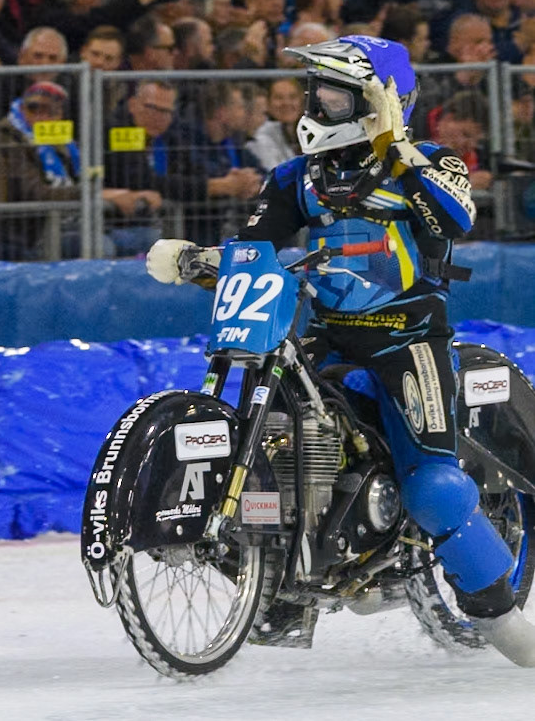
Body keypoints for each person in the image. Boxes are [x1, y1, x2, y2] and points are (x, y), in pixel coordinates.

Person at [145, 36, 535, 665]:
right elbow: (259, 246)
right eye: (316, 90)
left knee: (433, 488)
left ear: (379, 98)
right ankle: (288, 583)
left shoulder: (434, 162)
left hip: (409, 338)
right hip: (324, 334)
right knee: (279, 439)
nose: (316, 102)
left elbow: (455, 218)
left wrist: (398, 151)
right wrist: (200, 260)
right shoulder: (297, 177)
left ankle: (499, 612)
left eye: (333, 92)